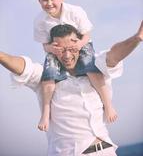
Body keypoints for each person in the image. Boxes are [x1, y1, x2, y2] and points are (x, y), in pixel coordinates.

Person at [0, 21, 143, 156]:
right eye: (61, 50)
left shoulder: (96, 69)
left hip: (107, 151)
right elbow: (23, 67)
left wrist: (137, 38)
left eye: (71, 49)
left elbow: (114, 56)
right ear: (52, 48)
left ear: (80, 45)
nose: (67, 55)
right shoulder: (45, 77)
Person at [34, 0, 117, 131]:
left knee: (91, 69)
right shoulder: (40, 21)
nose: (49, 3)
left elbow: (87, 34)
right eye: (45, 0)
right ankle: (45, 113)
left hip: (80, 45)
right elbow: (44, 45)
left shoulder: (75, 11)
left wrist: (79, 44)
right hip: (56, 50)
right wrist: (51, 49)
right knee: (48, 76)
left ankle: (108, 105)